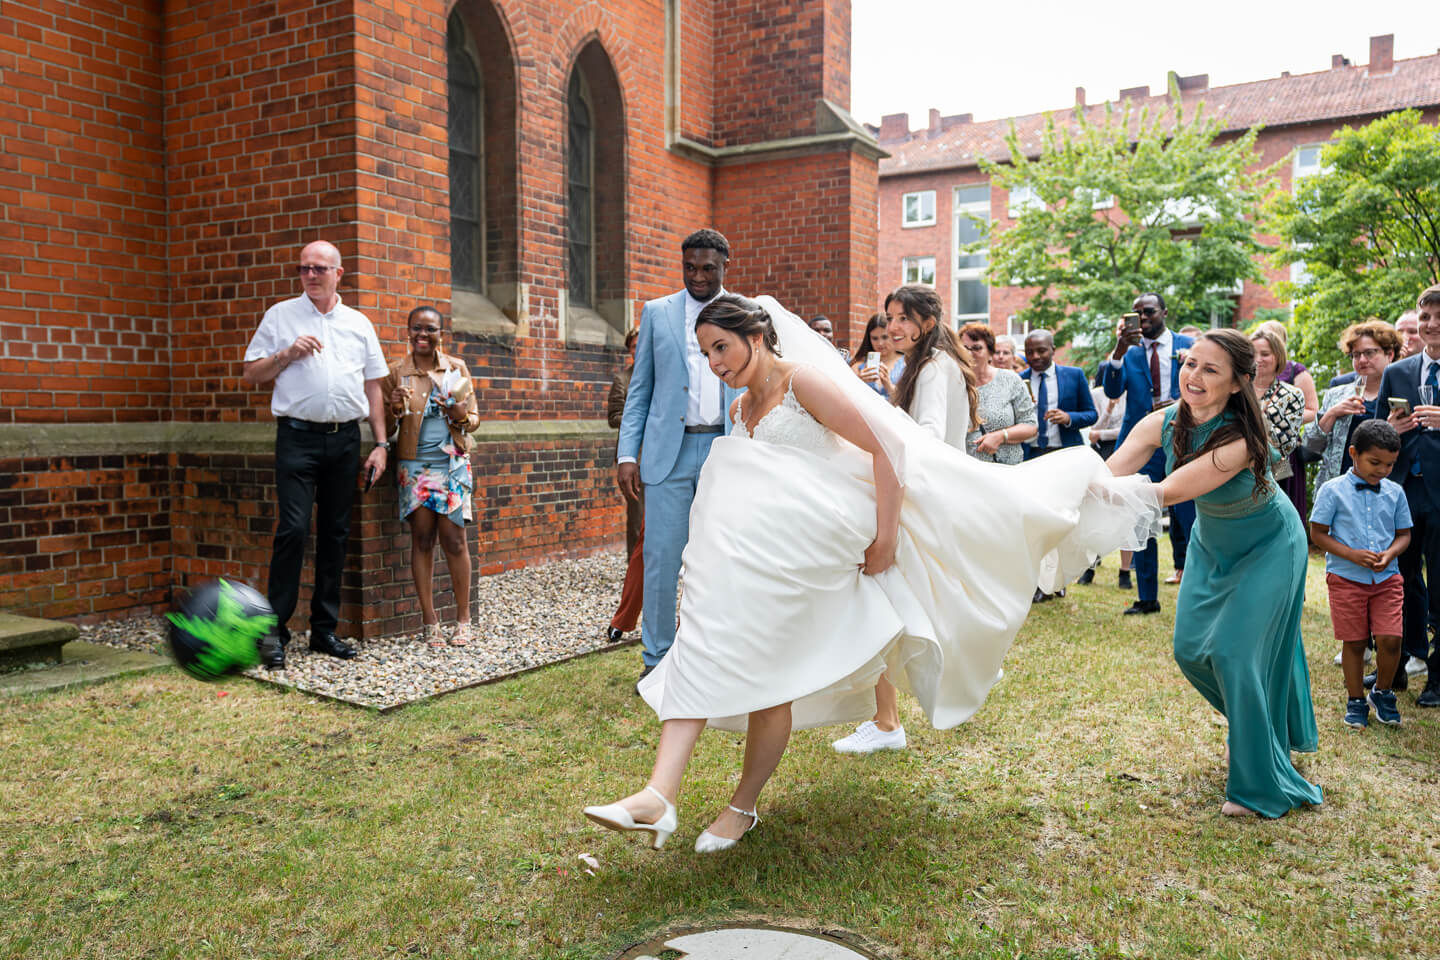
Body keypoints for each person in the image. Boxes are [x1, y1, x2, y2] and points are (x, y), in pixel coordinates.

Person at [583, 295, 1157, 851]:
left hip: (811, 558)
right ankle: (659, 795)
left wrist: (885, 539)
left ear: (756, 337)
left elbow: (887, 452)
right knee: (700, 648)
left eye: (721, 348)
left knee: (769, 679)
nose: (714, 364)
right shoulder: (739, 409)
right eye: (705, 353)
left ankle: (741, 806)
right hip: (752, 560)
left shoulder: (803, 382)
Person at [1107, 328, 1322, 818]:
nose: (1194, 377)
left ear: (1237, 382)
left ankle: (1254, 785)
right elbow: (1113, 469)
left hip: (1270, 544)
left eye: (1210, 370)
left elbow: (1169, 491)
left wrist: (1114, 493)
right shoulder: (1165, 420)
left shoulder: (1245, 437)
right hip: (1213, 543)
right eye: (1189, 364)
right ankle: (1257, 730)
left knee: (1232, 651)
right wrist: (1072, 489)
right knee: (1190, 650)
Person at [833, 284, 979, 755]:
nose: (891, 327)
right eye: (889, 317)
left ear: (927, 325)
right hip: (931, 497)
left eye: (901, 319)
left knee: (880, 599)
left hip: (924, 500)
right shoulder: (920, 365)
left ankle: (891, 717)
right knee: (889, 602)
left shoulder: (935, 368)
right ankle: (888, 717)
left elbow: (929, 435)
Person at [242, 241, 389, 670]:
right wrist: (287, 354)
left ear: (338, 273)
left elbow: (373, 387)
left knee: (336, 534)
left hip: (345, 440)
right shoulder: (280, 316)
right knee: (291, 529)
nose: (311, 275)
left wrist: (380, 445)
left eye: (320, 268)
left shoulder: (358, 323)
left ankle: (324, 630)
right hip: (297, 439)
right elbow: (251, 373)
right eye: (305, 268)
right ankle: (275, 632)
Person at [616, 229, 743, 688]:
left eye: (708, 267)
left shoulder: (745, 313)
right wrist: (628, 452)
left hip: (725, 450)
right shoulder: (657, 313)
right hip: (667, 453)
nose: (698, 276)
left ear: (725, 264)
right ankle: (657, 659)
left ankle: (716, 653)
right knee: (661, 557)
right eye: (690, 267)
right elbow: (640, 391)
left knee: (722, 557)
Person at [383, 306, 479, 646]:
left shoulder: (457, 368)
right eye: (417, 329)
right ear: (408, 332)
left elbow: (475, 420)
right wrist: (393, 406)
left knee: (454, 539)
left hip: (450, 463)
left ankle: (463, 619)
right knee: (422, 539)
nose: (423, 335)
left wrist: (461, 414)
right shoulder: (396, 372)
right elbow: (386, 426)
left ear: (441, 332)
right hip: (415, 467)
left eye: (430, 329)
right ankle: (430, 621)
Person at [1309, 420, 1411, 728]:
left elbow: (1404, 535)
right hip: (1345, 579)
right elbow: (1318, 533)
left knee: (1391, 639)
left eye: (1390, 465)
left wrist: (1390, 554)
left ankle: (1382, 692)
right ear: (1354, 453)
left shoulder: (1395, 493)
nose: (1382, 470)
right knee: (1354, 642)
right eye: (1375, 462)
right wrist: (1352, 555)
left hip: (1387, 579)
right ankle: (1355, 699)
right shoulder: (1332, 491)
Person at [1100, 292, 1195, 614]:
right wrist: (1118, 351)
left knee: (1191, 518)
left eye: (1149, 311)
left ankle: (1197, 593)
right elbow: (1113, 391)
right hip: (1142, 445)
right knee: (1140, 516)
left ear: (1165, 312)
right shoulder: (1129, 352)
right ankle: (1147, 597)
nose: (1142, 318)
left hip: (1186, 441)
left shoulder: (1188, 344)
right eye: (1136, 313)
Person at [1374, 284, 1440, 707]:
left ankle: (1439, 677)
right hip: (1400, 494)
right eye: (1425, 316)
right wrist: (1388, 431)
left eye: (1437, 317)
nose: (1429, 324)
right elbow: (1374, 430)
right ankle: (1395, 666)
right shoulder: (1396, 372)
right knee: (1397, 581)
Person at [1256, 320, 1319, 519]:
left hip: (1283, 453)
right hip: (1250, 452)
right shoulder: (1243, 381)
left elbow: (1312, 410)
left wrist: (1282, 420)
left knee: (1284, 503)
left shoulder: (1294, 371)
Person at [607, 328, 644, 643]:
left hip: (664, 453)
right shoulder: (623, 379)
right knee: (638, 520)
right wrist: (638, 415)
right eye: (634, 344)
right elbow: (613, 416)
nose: (640, 348)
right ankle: (635, 575)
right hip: (636, 456)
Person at [959, 322, 1036, 465]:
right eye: (964, 348)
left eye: (977, 348)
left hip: (1006, 470)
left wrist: (1001, 436)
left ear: (990, 352)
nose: (969, 353)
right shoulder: (954, 384)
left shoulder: (1010, 380)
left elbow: (1030, 425)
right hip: (967, 472)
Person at [1019, 330, 1097, 460]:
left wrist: (1068, 418)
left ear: (1053, 350)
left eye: (1041, 350)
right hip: (1029, 454)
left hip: (1066, 452)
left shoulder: (1075, 375)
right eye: (1029, 352)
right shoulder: (1018, 380)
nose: (1035, 356)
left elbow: (1092, 414)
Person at [1086, 379, 1132, 589]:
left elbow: (1128, 429)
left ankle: (1125, 572)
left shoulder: (1131, 393)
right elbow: (1093, 429)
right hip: (1102, 453)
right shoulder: (1096, 394)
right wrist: (1109, 407)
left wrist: (1101, 434)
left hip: (1128, 450)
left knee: (1127, 511)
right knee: (1097, 511)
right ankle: (1090, 566)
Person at [1251, 328, 1307, 468]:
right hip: (1230, 468)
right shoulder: (1235, 389)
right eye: (1252, 354)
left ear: (1278, 356)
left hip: (1271, 470)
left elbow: (1287, 444)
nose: (1258, 359)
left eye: (1265, 354)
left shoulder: (1292, 394)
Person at [850, 312, 904, 399]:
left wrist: (889, 386)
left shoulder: (907, 364)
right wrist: (858, 383)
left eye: (885, 337)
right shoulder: (858, 366)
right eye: (875, 338)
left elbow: (911, 402)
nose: (880, 343)